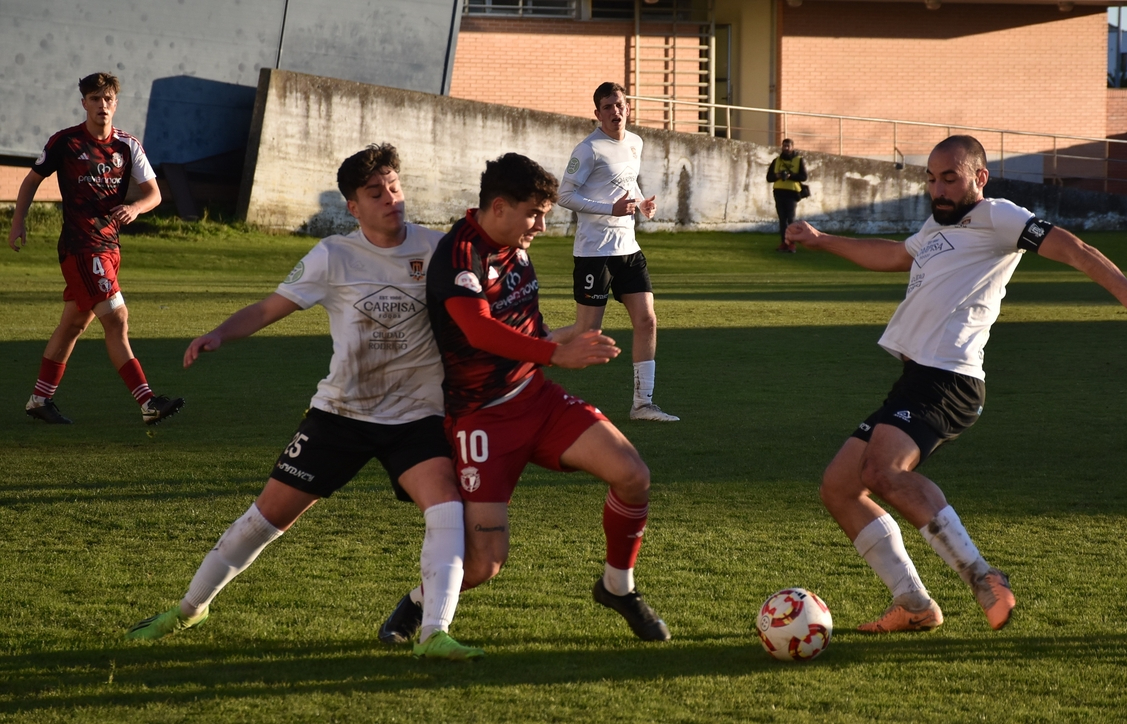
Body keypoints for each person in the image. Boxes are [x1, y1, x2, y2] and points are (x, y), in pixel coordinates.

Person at [787, 135, 1127, 633]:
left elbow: (1075, 249)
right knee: (840, 487)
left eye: (950, 178)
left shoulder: (999, 216)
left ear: (980, 177)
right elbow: (893, 255)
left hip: (947, 378)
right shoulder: (938, 225)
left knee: (883, 471)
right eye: (932, 179)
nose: (938, 189)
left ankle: (981, 575)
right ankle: (913, 603)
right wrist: (822, 240)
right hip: (918, 377)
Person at [125, 144, 482, 661]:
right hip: (340, 415)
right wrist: (219, 333)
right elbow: (270, 307)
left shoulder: (438, 248)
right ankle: (187, 610)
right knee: (265, 518)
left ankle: (433, 634)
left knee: (446, 507)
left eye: (394, 187)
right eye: (375, 193)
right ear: (353, 207)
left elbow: (479, 307)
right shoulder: (332, 255)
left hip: (417, 417)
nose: (391, 198)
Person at [379, 153, 671, 643]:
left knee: (632, 475)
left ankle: (617, 586)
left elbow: (526, 329)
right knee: (484, 565)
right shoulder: (460, 255)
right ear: (499, 207)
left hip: (537, 399)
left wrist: (565, 339)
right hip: (482, 420)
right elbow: (477, 330)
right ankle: (415, 603)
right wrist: (558, 354)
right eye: (534, 214)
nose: (541, 225)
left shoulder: (515, 247)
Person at [7, 72, 182, 426]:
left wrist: (136, 208)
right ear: (84, 103)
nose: (102, 105)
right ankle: (147, 402)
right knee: (117, 319)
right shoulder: (66, 142)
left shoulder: (127, 146)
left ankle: (40, 399)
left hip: (109, 245)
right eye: (95, 99)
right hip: (82, 247)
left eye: (108, 99)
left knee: (74, 323)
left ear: (116, 104)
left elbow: (154, 194)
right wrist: (18, 221)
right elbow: (31, 180)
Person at [556, 81, 678, 422]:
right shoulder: (588, 150)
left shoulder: (636, 142)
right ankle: (527, 345)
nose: (616, 111)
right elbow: (564, 196)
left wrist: (641, 203)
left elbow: (627, 182)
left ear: (628, 108)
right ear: (597, 113)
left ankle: (642, 404)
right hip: (595, 252)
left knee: (647, 320)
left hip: (628, 248)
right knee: (586, 333)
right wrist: (609, 209)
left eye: (620, 105)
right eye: (608, 107)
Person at [767, 138, 808, 253]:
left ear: (792, 147)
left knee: (791, 219)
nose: (785, 148)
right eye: (784, 146)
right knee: (782, 220)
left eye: (788, 146)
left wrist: (790, 176)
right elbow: (769, 178)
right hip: (779, 192)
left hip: (792, 193)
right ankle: (784, 243)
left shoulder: (799, 160)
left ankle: (792, 244)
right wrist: (778, 176)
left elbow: (804, 177)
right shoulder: (776, 161)